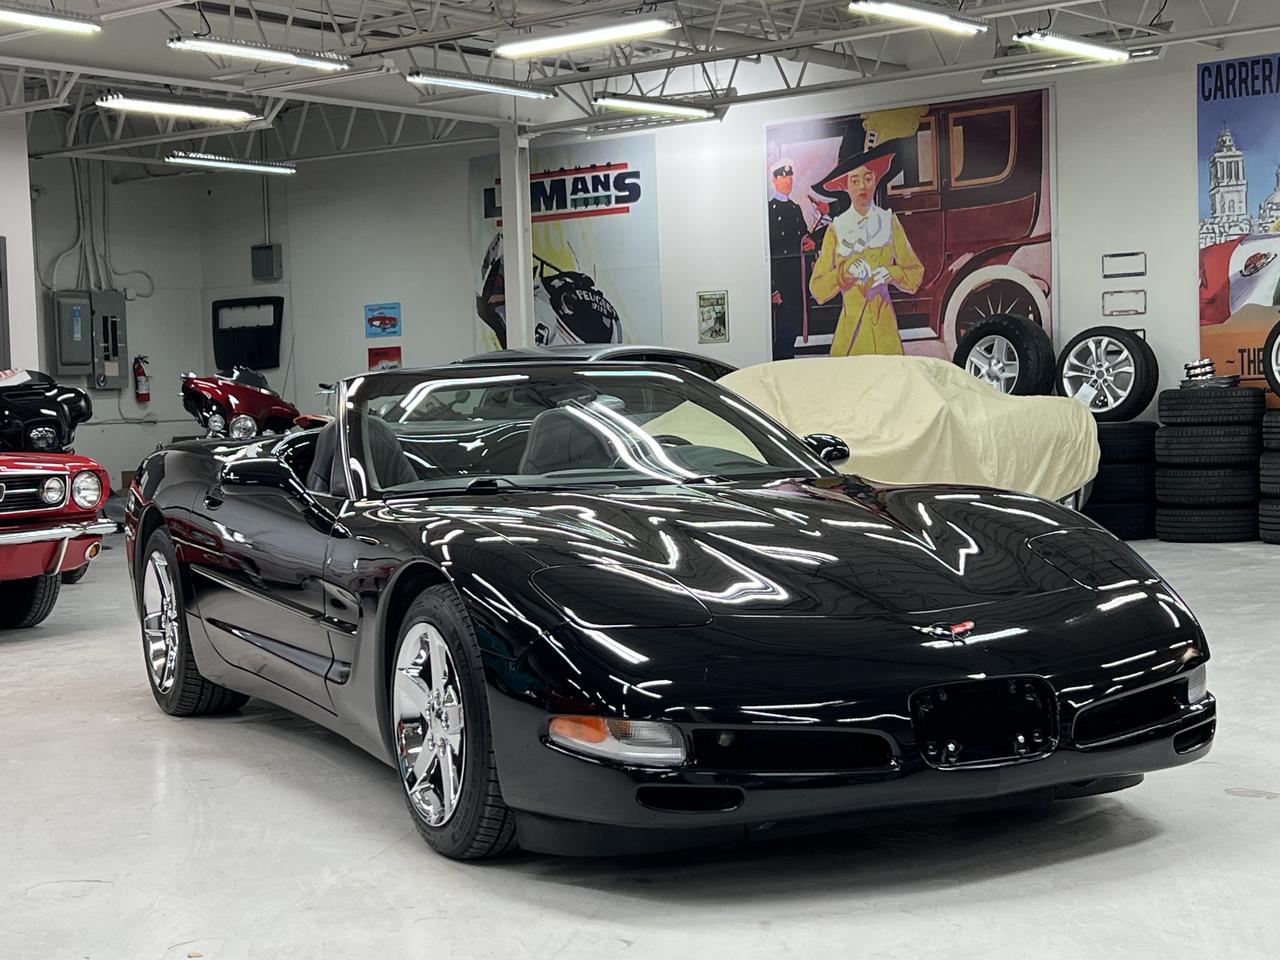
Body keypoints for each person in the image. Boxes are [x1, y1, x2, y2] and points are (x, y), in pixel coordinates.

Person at [808, 147, 924, 357]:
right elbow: (818, 289)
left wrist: (892, 273)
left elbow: (915, 273)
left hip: (885, 335)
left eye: (868, 178)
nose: (862, 186)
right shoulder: (836, 228)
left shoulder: (889, 221)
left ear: (876, 180)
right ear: (845, 186)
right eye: (854, 180)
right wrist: (845, 273)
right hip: (850, 339)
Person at [768, 160, 816, 359]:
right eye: (782, 177)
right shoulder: (769, 211)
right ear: (774, 180)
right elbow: (767, 252)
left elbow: (804, 236)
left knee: (794, 329)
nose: (787, 181)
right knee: (782, 334)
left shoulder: (795, 209)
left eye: (790, 176)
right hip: (781, 284)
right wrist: (772, 288)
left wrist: (810, 243)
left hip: (798, 281)